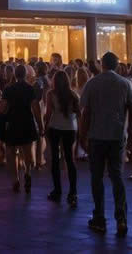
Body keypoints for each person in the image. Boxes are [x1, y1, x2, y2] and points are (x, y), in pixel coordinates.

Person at [79, 51, 132, 236]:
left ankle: (99, 217)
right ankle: (121, 218)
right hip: (117, 135)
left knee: (97, 177)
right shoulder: (125, 84)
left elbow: (86, 112)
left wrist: (82, 135)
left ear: (101, 64)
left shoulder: (92, 84)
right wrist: (130, 132)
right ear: (117, 65)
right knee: (117, 176)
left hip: (97, 135)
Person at [0, 63, 42, 194]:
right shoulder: (30, 89)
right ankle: (27, 171)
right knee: (27, 150)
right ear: (26, 75)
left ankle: (15, 179)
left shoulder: (8, 89)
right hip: (27, 121)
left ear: (15, 75)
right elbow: (35, 107)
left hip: (13, 122)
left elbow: (3, 108)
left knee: (11, 151)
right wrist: (40, 124)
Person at [44, 69, 79, 206]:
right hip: (70, 128)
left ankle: (57, 191)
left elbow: (48, 113)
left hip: (55, 127)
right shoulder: (73, 95)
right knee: (70, 160)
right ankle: (73, 193)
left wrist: (44, 126)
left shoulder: (51, 94)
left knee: (55, 159)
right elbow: (78, 112)